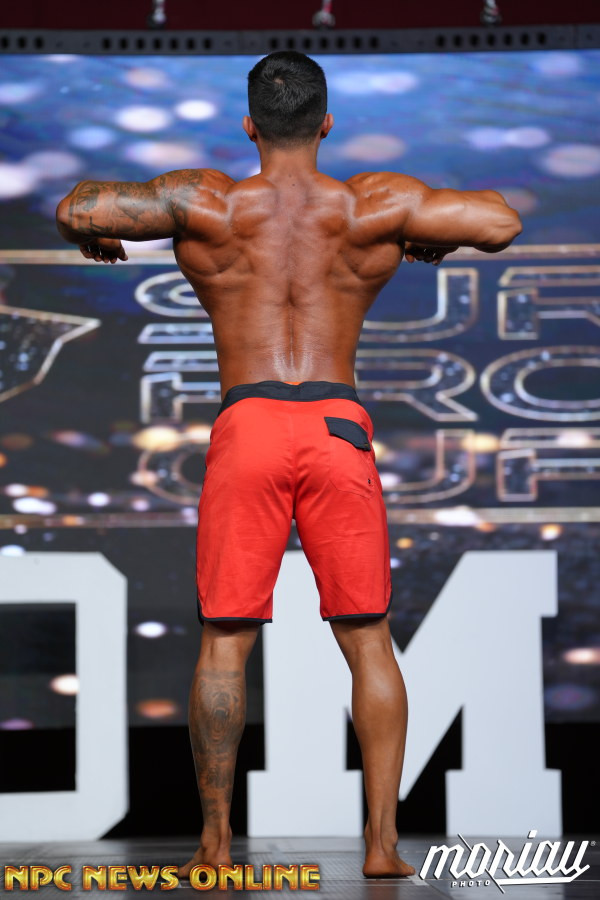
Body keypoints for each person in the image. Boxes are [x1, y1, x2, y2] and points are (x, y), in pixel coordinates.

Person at [56, 50, 522, 878]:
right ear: (327, 122)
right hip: (338, 427)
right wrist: (428, 238)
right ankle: (382, 845)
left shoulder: (207, 201)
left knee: (225, 639)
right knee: (368, 636)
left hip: (251, 426)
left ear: (249, 125)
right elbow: (500, 221)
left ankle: (214, 841)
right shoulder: (376, 203)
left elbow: (76, 206)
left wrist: (93, 235)